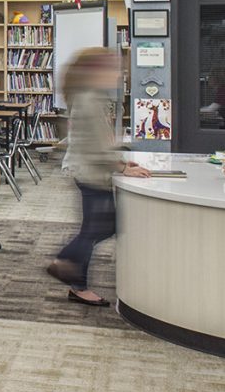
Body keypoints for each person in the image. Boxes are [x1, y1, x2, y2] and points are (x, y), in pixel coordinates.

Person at [46, 47, 150, 306]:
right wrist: (124, 168)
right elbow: (97, 148)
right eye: (113, 69)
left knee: (95, 229)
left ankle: (74, 280)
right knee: (97, 229)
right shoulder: (89, 100)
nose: (118, 74)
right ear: (96, 71)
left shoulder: (89, 97)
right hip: (92, 175)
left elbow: (100, 142)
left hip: (92, 172)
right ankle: (66, 266)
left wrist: (122, 160)